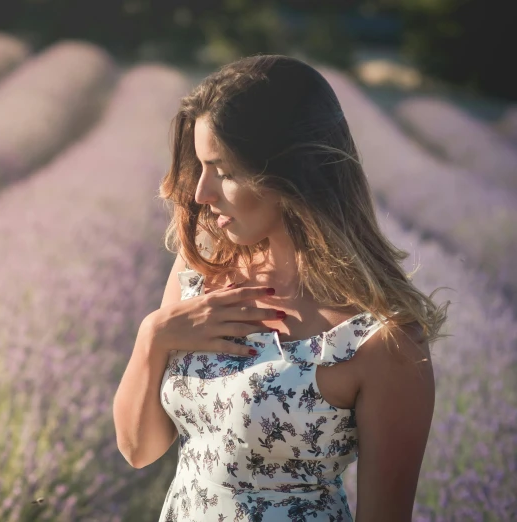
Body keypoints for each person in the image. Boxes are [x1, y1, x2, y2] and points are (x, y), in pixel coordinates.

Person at [112, 54, 450, 521]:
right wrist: (154, 336)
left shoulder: (381, 340)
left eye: (225, 171)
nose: (201, 193)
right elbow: (138, 450)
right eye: (202, 167)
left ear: (291, 172)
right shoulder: (201, 274)